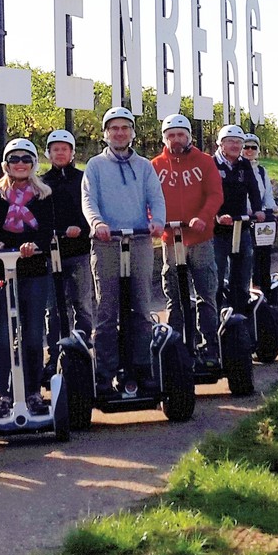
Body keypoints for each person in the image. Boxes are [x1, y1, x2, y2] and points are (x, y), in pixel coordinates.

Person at [82, 106, 166, 394]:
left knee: (141, 308)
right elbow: (88, 199)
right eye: (114, 128)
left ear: (132, 133)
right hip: (107, 243)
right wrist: (97, 223)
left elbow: (156, 197)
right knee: (106, 310)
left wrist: (158, 222)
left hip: (140, 241)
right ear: (106, 133)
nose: (119, 133)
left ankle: (142, 368)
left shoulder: (144, 166)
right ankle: (104, 373)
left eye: (125, 128)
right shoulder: (95, 165)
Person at [0, 139, 55, 415]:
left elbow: (47, 229)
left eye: (25, 159)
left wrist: (35, 245)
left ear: (32, 164)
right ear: (6, 165)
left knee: (32, 334)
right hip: (1, 267)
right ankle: (3, 393)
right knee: (3, 335)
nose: (20, 164)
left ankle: (32, 391)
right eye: (14, 159)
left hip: (33, 269)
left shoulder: (43, 195)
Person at [151, 113, 224, 360]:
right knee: (174, 293)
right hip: (170, 239)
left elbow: (215, 194)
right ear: (164, 138)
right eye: (171, 135)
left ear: (188, 136)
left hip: (200, 237)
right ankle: (177, 344)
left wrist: (203, 217)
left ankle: (211, 343)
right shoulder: (155, 165)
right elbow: (149, 199)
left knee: (206, 292)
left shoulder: (204, 161)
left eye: (180, 134)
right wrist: (155, 222)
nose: (176, 139)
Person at [40, 127, 95, 373]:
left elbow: (92, 208)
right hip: (53, 253)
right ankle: (55, 354)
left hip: (80, 251)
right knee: (54, 308)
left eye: (64, 149)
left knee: (82, 303)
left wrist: (81, 227)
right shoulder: (41, 182)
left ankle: (84, 350)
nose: (60, 153)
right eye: (55, 150)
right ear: (48, 154)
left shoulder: (84, 179)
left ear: (72, 153)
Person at [213, 123, 265, 305]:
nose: (235, 146)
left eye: (238, 142)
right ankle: (218, 306)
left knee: (244, 263)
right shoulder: (212, 164)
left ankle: (241, 304)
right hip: (218, 227)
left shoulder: (244, 164)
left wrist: (258, 209)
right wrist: (218, 215)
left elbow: (253, 189)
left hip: (240, 223)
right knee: (217, 270)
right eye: (230, 142)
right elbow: (208, 193)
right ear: (221, 144)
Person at [243, 133, 278, 293]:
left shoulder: (262, 171)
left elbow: (268, 195)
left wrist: (270, 209)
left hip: (260, 218)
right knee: (246, 256)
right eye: (246, 147)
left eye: (253, 147)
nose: (249, 151)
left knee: (263, 255)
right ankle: (250, 289)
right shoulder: (238, 170)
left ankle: (264, 287)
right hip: (242, 218)